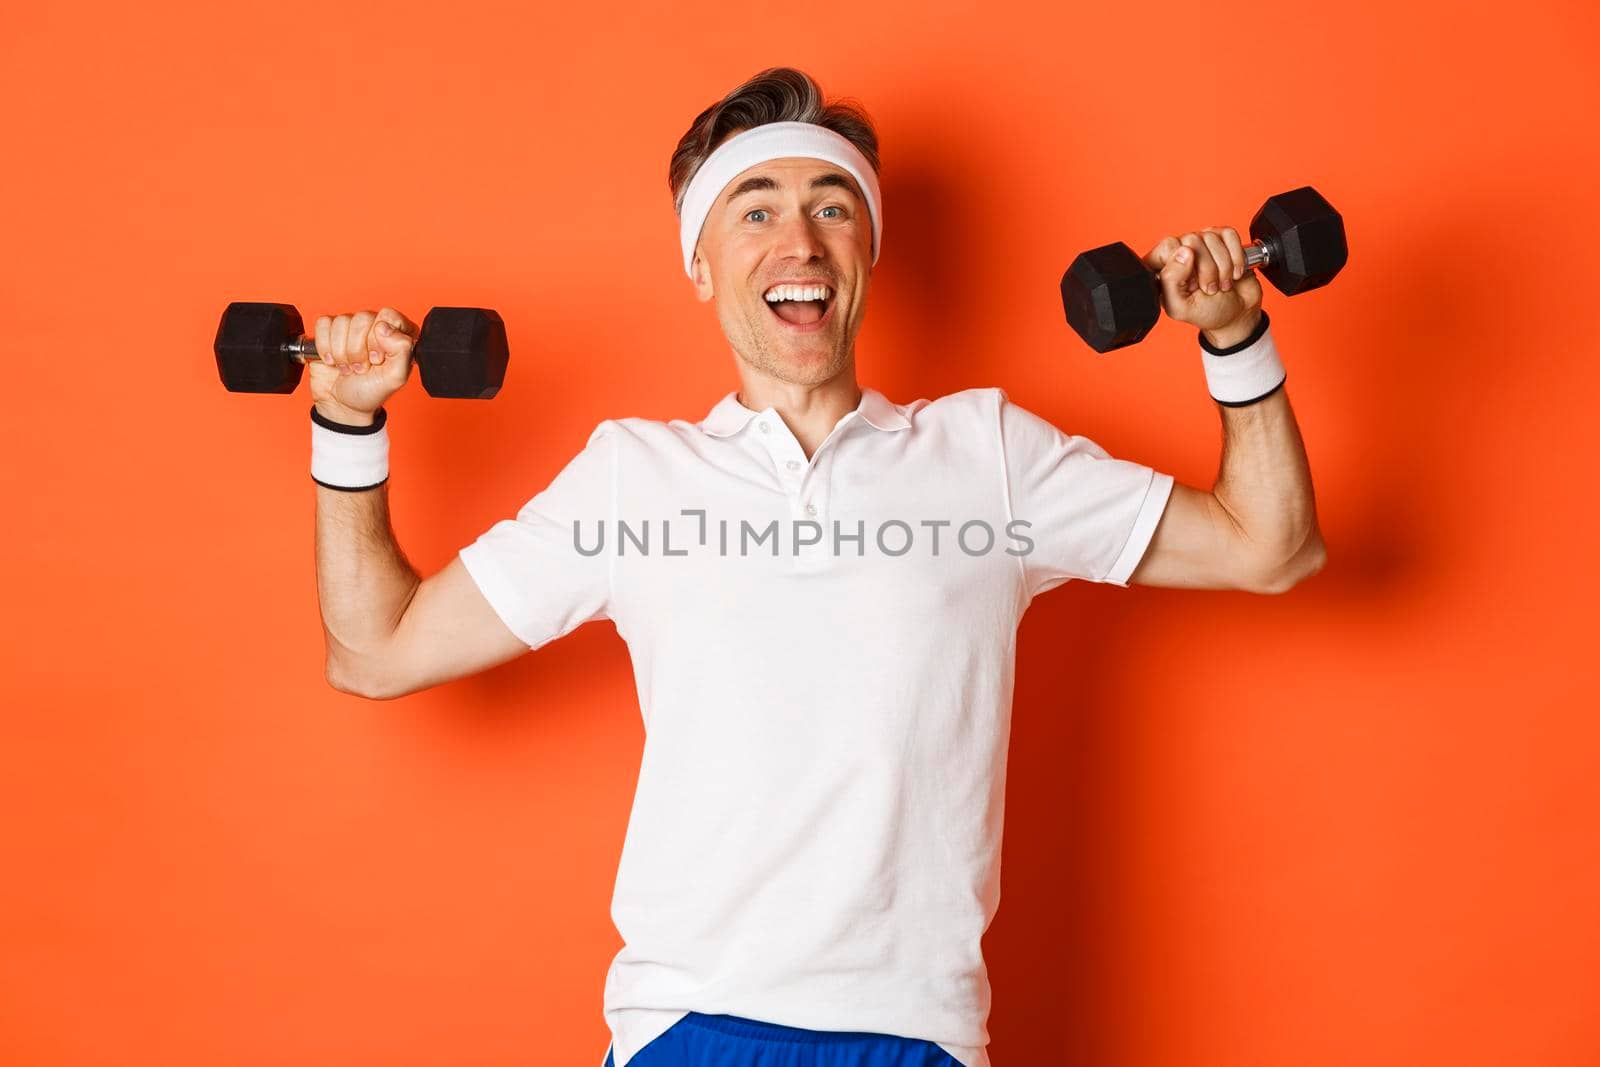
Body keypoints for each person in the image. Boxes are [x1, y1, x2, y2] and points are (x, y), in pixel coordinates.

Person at [307, 67, 1325, 1067]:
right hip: (686, 1023)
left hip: (918, 1028)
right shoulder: (634, 475)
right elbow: (377, 650)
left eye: (831, 206)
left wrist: (1235, 333)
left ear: (867, 251)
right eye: (754, 210)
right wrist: (346, 421)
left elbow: (1268, 546)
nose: (798, 240)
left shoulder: (988, 455)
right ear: (699, 263)